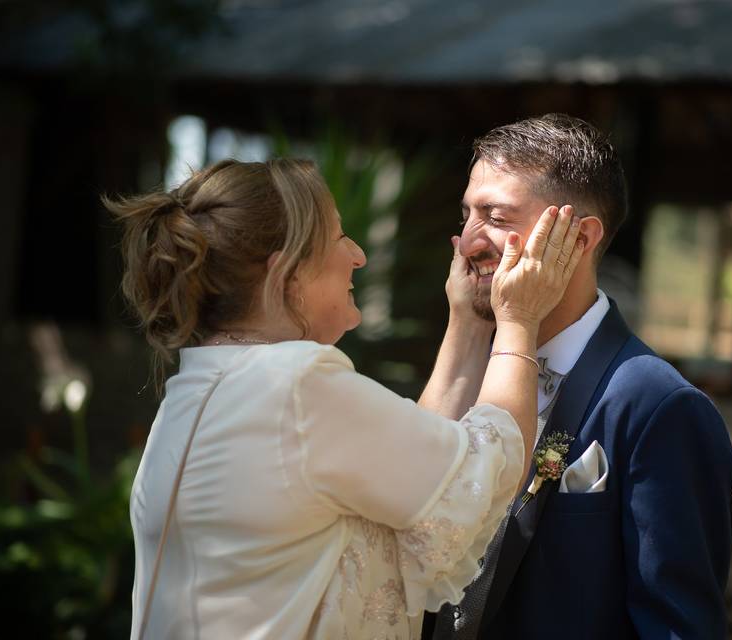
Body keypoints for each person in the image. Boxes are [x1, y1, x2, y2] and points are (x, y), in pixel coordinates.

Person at [106, 158, 586, 639]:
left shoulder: (197, 385)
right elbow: (485, 472)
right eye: (338, 237)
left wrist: (466, 321)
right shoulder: (294, 383)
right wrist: (518, 320)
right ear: (287, 273)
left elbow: (422, 478)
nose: (357, 255)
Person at [425, 114, 732, 639]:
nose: (468, 242)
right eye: (467, 215)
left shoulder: (658, 405)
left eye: (496, 216)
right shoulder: (468, 369)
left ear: (580, 236)